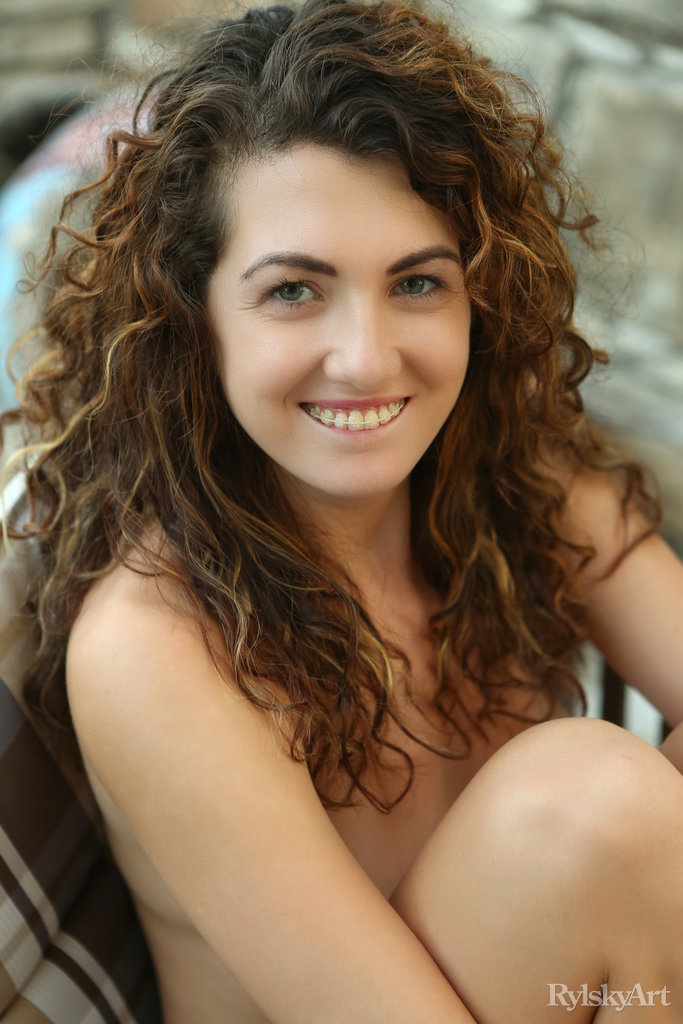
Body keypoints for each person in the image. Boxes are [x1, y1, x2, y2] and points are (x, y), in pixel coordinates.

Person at [2, 0, 683, 1020]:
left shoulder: (516, 480)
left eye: (416, 283)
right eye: (293, 291)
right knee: (593, 803)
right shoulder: (159, 648)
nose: (365, 359)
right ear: (195, 319)